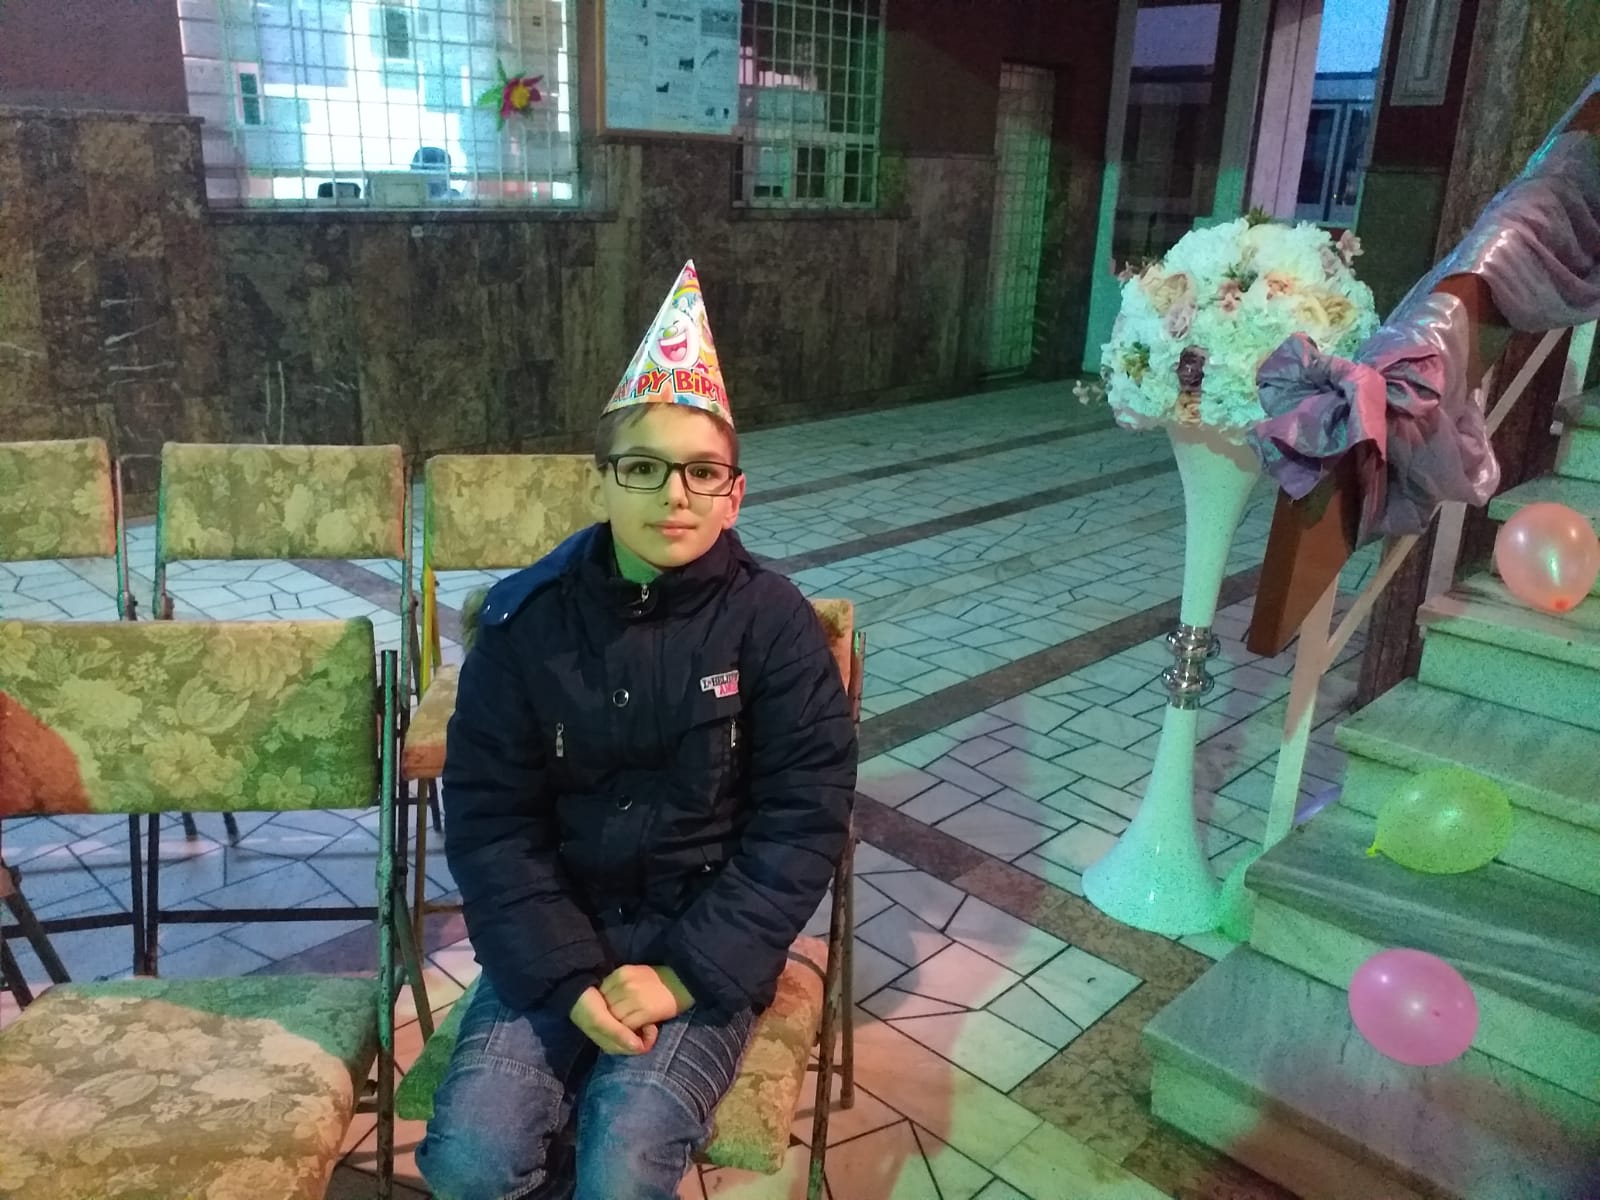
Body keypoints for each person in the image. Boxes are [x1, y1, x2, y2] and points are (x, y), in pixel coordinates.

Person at [416, 261, 857, 1200]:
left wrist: (687, 973)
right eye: (645, 467)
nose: (675, 494)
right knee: (469, 1160)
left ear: (734, 493)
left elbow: (802, 822)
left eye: (703, 472)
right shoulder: (524, 623)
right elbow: (492, 822)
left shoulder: (774, 626)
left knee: (621, 1164)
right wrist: (561, 974)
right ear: (604, 482)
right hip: (552, 933)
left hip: (700, 946)